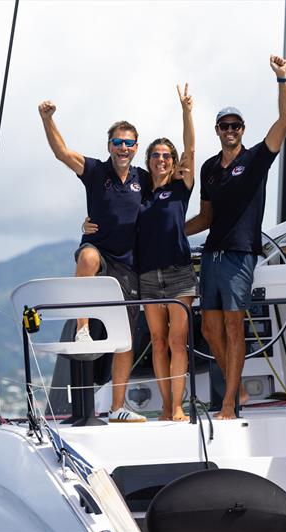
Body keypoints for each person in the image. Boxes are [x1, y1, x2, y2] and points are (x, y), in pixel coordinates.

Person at [185, 55, 286, 419]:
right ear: (217, 130)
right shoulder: (209, 168)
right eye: (224, 126)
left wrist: (282, 78)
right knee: (209, 330)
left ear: (243, 129)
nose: (230, 130)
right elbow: (206, 217)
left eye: (235, 125)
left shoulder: (257, 158)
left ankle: (230, 402)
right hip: (211, 255)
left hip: (240, 255)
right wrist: (170, 231)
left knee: (234, 328)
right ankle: (238, 387)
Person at [84, 84, 196, 421]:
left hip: (178, 273)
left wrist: (186, 111)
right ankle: (166, 406)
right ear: (147, 161)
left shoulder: (181, 187)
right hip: (146, 275)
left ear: (174, 162)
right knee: (158, 342)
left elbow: (191, 148)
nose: (161, 159)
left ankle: (177, 406)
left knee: (177, 341)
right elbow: (114, 211)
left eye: (167, 156)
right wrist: (88, 224)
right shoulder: (142, 190)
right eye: (156, 155)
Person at [38, 101, 148, 423]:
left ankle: (117, 408)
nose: (123, 148)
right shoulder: (96, 171)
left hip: (128, 264)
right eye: (118, 142)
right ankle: (82, 329)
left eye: (129, 143)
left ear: (136, 147)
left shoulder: (143, 178)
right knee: (86, 256)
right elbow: (62, 153)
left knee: (125, 338)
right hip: (99, 252)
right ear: (109, 145)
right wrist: (47, 119)